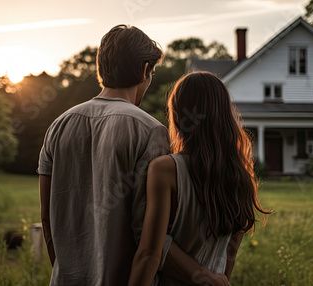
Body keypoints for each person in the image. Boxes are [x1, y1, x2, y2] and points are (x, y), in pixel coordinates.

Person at [38, 26, 229, 286]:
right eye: (152, 74)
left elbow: (47, 217)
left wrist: (66, 270)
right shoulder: (150, 132)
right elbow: (151, 236)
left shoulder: (58, 126)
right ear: (144, 71)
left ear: (100, 69)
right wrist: (207, 277)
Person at [128, 71, 273, 285]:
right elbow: (229, 256)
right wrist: (215, 279)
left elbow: (150, 253)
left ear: (177, 115)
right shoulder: (241, 175)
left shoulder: (165, 168)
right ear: (224, 114)